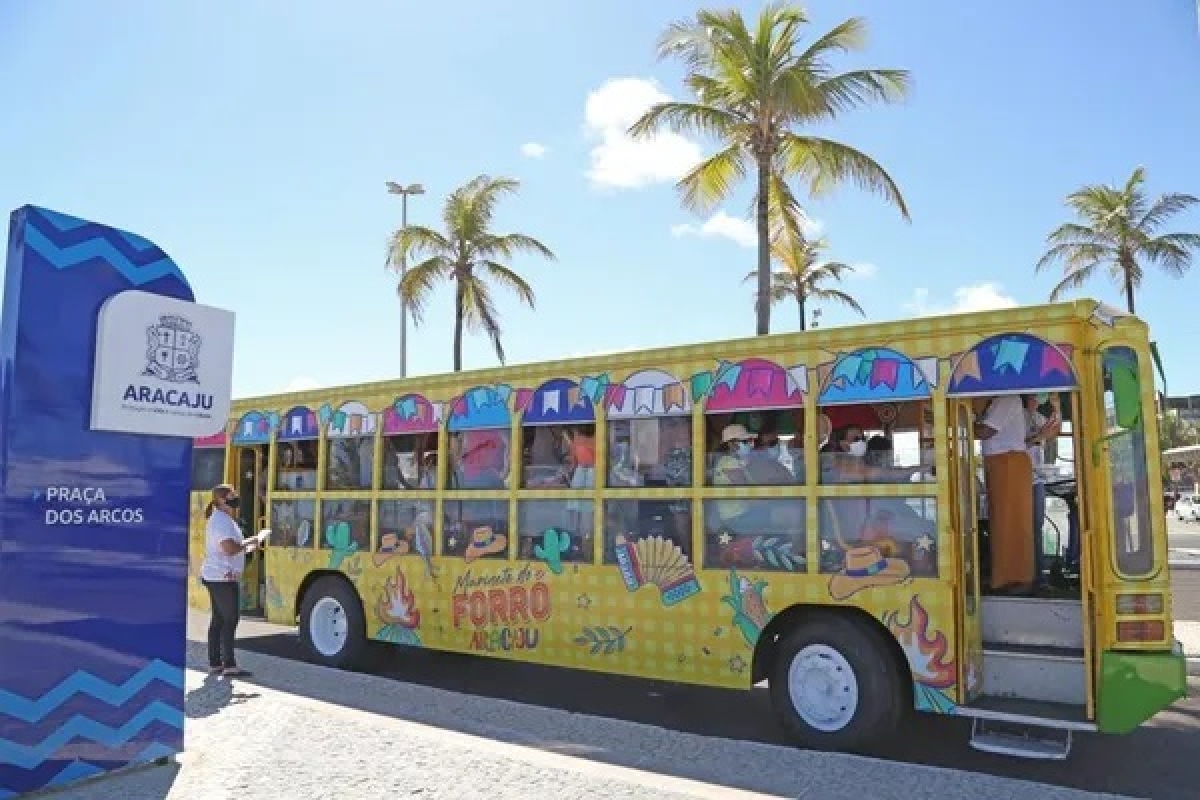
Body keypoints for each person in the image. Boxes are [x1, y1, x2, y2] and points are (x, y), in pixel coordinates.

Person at [974, 394, 1034, 594]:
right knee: (1001, 523)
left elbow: (986, 431)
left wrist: (959, 423)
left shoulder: (1007, 398)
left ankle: (1018, 578)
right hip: (1001, 464)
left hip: (1008, 463)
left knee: (1011, 523)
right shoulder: (996, 401)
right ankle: (1003, 577)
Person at [200, 484, 258, 677]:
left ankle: (215, 663)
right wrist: (252, 540)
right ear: (222, 500)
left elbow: (232, 548)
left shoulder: (222, 519)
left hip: (218, 576)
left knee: (218, 619)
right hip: (222, 578)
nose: (236, 497)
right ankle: (229, 664)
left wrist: (246, 546)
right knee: (230, 619)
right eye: (232, 495)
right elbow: (229, 548)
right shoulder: (221, 521)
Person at [1024, 394, 1061, 587]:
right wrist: (1039, 437)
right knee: (1027, 529)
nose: (1036, 399)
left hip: (1037, 478)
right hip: (1021, 479)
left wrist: (1057, 408)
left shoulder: (1037, 417)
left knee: (1036, 528)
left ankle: (1038, 575)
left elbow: (1054, 431)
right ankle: (1031, 575)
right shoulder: (1018, 417)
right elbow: (1018, 444)